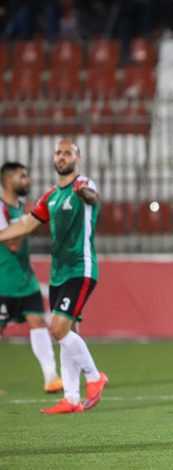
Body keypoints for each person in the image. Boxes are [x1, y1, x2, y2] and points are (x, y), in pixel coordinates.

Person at [0, 139, 108, 414]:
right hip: (58, 273)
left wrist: (85, 194)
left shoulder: (83, 184)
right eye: (58, 153)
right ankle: (71, 398)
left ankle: (95, 377)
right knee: (67, 333)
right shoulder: (50, 196)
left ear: (78, 159)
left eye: (68, 153)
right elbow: (26, 225)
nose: (61, 156)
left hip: (80, 268)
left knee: (57, 329)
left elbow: (92, 197)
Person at [0, 162, 62, 394]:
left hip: (26, 280)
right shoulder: (1, 208)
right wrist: (29, 224)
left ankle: (51, 377)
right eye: (22, 176)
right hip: (3, 281)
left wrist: (29, 221)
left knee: (38, 322)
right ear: (9, 180)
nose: (27, 180)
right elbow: (12, 244)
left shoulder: (23, 206)